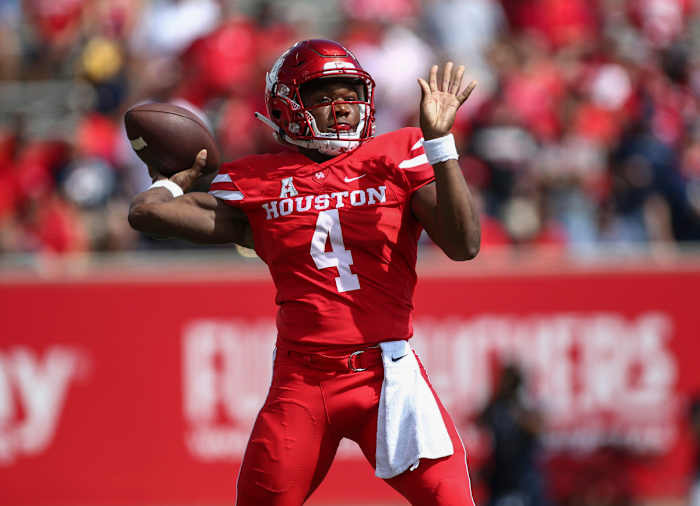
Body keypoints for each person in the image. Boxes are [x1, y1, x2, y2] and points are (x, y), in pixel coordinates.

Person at [128, 39, 480, 506]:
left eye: (350, 94)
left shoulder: (399, 154)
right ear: (287, 106)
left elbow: (464, 244)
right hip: (303, 381)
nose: (342, 108)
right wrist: (177, 177)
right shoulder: (256, 180)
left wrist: (440, 144)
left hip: (387, 377)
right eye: (323, 96)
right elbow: (147, 213)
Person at [477, 363, 549, 506]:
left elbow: (538, 428)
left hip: (524, 476)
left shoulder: (526, 406)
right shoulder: (497, 406)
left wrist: (517, 414)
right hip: (500, 477)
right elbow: (480, 420)